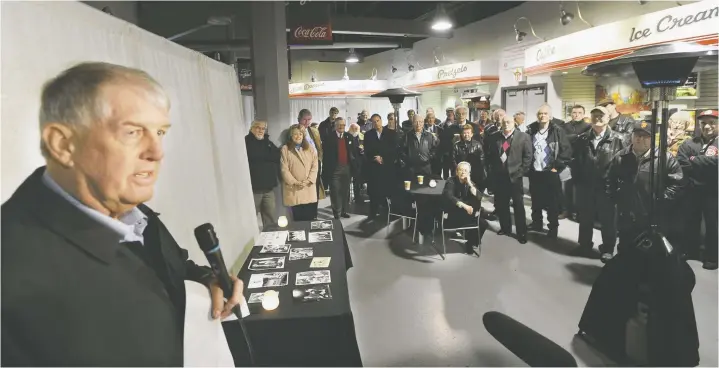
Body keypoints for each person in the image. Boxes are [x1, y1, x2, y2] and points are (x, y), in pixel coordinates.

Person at [1, 62, 244, 366]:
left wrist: (210, 278)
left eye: (159, 132)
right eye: (132, 132)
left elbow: (174, 267)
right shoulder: (13, 270)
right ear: (63, 144)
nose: (157, 152)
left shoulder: (133, 215)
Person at [604, 120, 684, 263]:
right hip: (627, 213)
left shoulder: (665, 159)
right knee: (625, 246)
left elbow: (677, 183)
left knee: (651, 249)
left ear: (653, 138)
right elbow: (610, 179)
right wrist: (615, 198)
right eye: (637, 135)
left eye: (645, 136)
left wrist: (661, 199)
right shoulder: (621, 156)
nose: (639, 139)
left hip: (653, 214)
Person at [572, 106, 624, 256]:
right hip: (586, 187)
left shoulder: (618, 139)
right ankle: (584, 245)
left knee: (608, 221)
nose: (598, 118)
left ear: (608, 118)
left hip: (607, 188)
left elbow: (624, 164)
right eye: (594, 115)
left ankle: (608, 249)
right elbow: (576, 162)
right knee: (585, 218)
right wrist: (578, 182)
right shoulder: (582, 139)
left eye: (601, 115)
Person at [677, 109, 718, 269]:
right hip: (692, 189)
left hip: (714, 191)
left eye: (711, 123)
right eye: (703, 123)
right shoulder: (690, 142)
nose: (707, 126)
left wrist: (694, 159)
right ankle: (690, 250)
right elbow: (682, 162)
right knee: (690, 222)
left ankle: (712, 257)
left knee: (712, 225)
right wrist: (708, 162)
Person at [527, 104, 572, 238]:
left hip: (550, 172)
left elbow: (567, 150)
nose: (542, 116)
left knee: (552, 203)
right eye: (540, 114)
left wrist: (556, 168)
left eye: (545, 113)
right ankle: (537, 223)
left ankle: (553, 228)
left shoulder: (557, 131)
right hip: (535, 171)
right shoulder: (531, 130)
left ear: (550, 116)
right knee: (535, 200)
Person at [485, 115, 532, 243]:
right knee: (502, 205)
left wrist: (521, 172)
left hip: (515, 177)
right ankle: (505, 228)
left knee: (518, 206)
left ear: (514, 123)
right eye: (504, 122)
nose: (506, 124)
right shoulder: (494, 137)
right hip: (499, 177)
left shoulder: (523, 137)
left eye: (509, 122)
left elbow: (528, 157)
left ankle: (521, 233)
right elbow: (490, 156)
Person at [442, 162, 484, 254]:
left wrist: (469, 183)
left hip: (466, 214)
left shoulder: (470, 183)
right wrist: (465, 206)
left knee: (483, 223)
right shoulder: (451, 181)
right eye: (461, 170)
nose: (463, 172)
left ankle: (471, 243)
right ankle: (470, 238)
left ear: (469, 173)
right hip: (454, 215)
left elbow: (480, 197)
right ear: (457, 172)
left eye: (465, 171)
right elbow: (449, 196)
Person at [246, 120, 280, 229]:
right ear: (252, 128)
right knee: (250, 217)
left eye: (263, 128)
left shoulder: (268, 142)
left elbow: (277, 156)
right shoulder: (246, 142)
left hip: (268, 188)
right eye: (258, 127)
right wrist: (267, 156)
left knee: (270, 217)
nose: (260, 130)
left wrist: (264, 157)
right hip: (253, 189)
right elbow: (253, 156)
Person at [280, 124, 319, 221]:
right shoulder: (285, 149)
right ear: (290, 136)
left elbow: (315, 166)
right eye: (295, 134)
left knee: (309, 218)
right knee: (297, 220)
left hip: (308, 188)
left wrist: (308, 180)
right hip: (294, 189)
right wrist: (295, 182)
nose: (298, 136)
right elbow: (284, 169)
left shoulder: (310, 148)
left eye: (300, 134)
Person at [322, 118, 359, 219]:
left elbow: (353, 153)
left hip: (347, 168)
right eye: (339, 125)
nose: (341, 127)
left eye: (343, 125)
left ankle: (344, 211)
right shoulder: (329, 138)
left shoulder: (349, 136)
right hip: (334, 169)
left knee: (345, 191)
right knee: (335, 192)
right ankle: (336, 213)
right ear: (335, 126)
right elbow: (326, 156)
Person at [364, 112, 399, 218]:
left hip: (387, 167)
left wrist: (384, 158)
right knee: (374, 192)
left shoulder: (391, 133)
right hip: (374, 167)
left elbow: (395, 150)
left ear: (381, 120)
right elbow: (367, 150)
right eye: (374, 122)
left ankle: (388, 213)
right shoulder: (368, 135)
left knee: (387, 190)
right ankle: (373, 213)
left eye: (378, 121)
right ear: (371, 123)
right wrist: (375, 158)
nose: (376, 123)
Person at [561, 105, 592, 219]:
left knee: (580, 190)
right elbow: (562, 140)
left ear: (583, 114)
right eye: (574, 112)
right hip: (568, 161)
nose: (577, 115)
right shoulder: (564, 126)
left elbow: (587, 140)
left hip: (582, 161)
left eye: (579, 112)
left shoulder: (588, 126)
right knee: (566, 188)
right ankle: (566, 210)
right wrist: (577, 136)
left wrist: (571, 138)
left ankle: (579, 213)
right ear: (571, 114)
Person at [297, 109, 325, 217]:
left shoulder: (314, 130)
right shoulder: (295, 130)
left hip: (316, 164)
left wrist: (319, 159)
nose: (307, 122)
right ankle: (304, 215)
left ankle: (313, 214)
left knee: (315, 190)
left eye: (309, 120)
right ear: (299, 119)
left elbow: (319, 147)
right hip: (303, 166)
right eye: (305, 119)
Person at [400, 114, 439, 179]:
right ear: (412, 123)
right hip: (411, 168)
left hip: (426, 168)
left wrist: (429, 157)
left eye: (420, 122)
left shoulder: (429, 136)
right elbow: (402, 151)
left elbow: (434, 149)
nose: (418, 124)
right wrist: (408, 160)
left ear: (423, 122)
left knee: (426, 187)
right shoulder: (407, 136)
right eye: (416, 122)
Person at [452, 123, 485, 188]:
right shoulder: (456, 145)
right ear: (461, 134)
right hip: (460, 173)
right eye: (464, 133)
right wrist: (459, 170)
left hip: (474, 173)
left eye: (468, 133)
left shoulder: (478, 145)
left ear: (472, 134)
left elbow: (482, 160)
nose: (466, 135)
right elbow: (453, 160)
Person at [348, 122, 365, 203]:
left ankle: (357, 197)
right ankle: (347, 198)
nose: (355, 130)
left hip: (359, 162)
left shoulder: (362, 136)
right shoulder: (347, 136)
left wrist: (363, 150)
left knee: (357, 181)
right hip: (349, 162)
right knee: (347, 182)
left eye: (356, 129)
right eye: (353, 128)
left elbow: (365, 146)